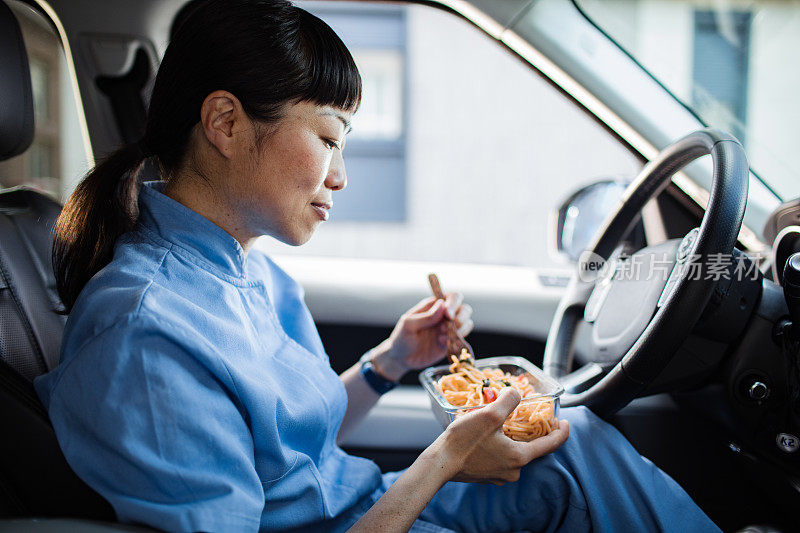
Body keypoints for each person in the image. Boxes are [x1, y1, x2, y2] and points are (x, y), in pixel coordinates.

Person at [34, 1, 721, 531]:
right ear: (225, 122)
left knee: (571, 444)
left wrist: (387, 362)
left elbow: (291, 441)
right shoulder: (144, 335)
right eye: (328, 138)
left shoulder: (248, 268)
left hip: (374, 504)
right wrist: (448, 457)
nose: (339, 177)